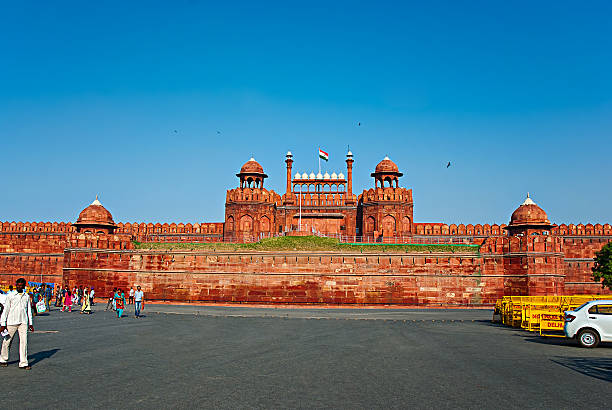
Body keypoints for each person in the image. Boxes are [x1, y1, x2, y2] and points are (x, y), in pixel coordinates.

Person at [0, 278, 34, 369]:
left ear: (24, 286)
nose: (19, 286)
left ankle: (23, 362)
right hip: (11, 321)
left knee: (24, 342)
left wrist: (30, 323)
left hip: (23, 322)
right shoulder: (10, 295)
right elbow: (6, 310)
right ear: (16, 285)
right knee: (7, 341)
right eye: (18, 285)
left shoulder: (26, 296)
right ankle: (3, 358)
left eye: (21, 285)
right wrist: (3, 324)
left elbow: (29, 311)